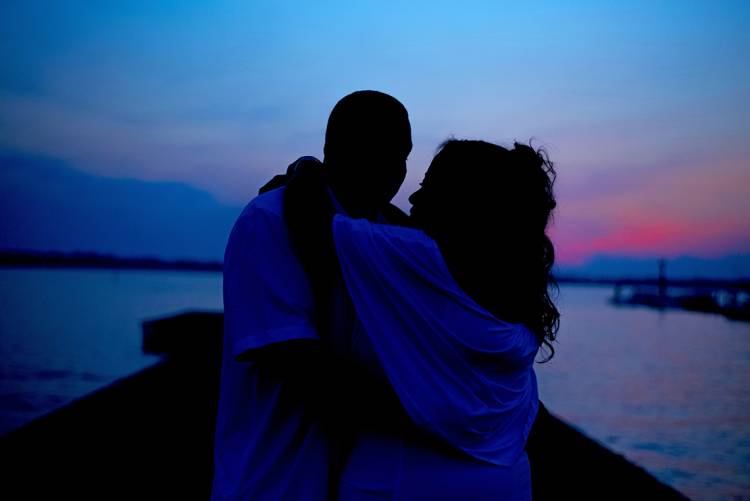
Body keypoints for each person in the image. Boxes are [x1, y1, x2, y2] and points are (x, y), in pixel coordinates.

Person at [283, 139, 560, 500]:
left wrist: (304, 170)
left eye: (426, 188)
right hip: (504, 480)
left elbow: (312, 224)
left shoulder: (420, 260)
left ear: (462, 202)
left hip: (406, 483)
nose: (412, 200)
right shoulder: (509, 281)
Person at [210, 90, 413, 501]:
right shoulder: (270, 220)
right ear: (335, 149)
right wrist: (439, 411)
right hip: (273, 482)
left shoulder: (392, 236)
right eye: (380, 147)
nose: (396, 168)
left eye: (403, 154)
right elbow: (296, 364)